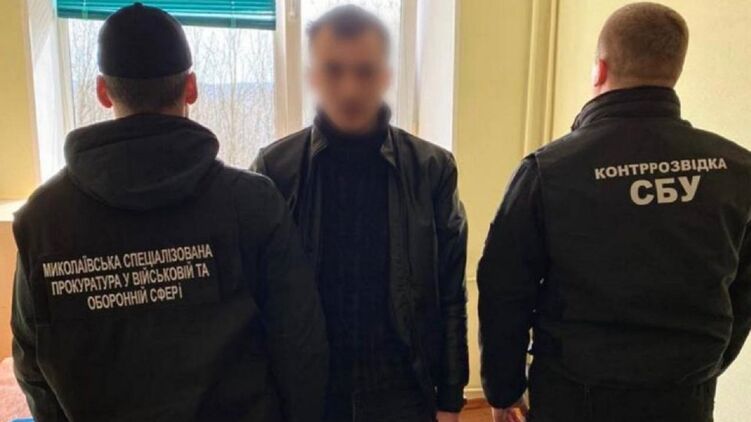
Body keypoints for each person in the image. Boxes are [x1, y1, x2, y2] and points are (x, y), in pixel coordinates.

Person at [11, 4, 327, 421]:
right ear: (191, 87)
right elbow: (300, 347)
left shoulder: (42, 219)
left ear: (103, 91)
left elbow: (32, 364)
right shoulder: (250, 204)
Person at [478, 3, 751, 422]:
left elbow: (504, 289)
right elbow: (743, 291)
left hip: (575, 398)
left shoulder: (549, 172)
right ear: (675, 70)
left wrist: (504, 390)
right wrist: (705, 367)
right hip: (686, 398)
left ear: (599, 70)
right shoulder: (736, 170)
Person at [251, 5, 469, 422]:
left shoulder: (432, 169)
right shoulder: (274, 170)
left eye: (364, 71)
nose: (349, 88)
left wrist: (451, 398)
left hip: (403, 390)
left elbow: (450, 290)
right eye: (334, 70)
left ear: (385, 76)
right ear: (313, 77)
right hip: (310, 395)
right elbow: (258, 298)